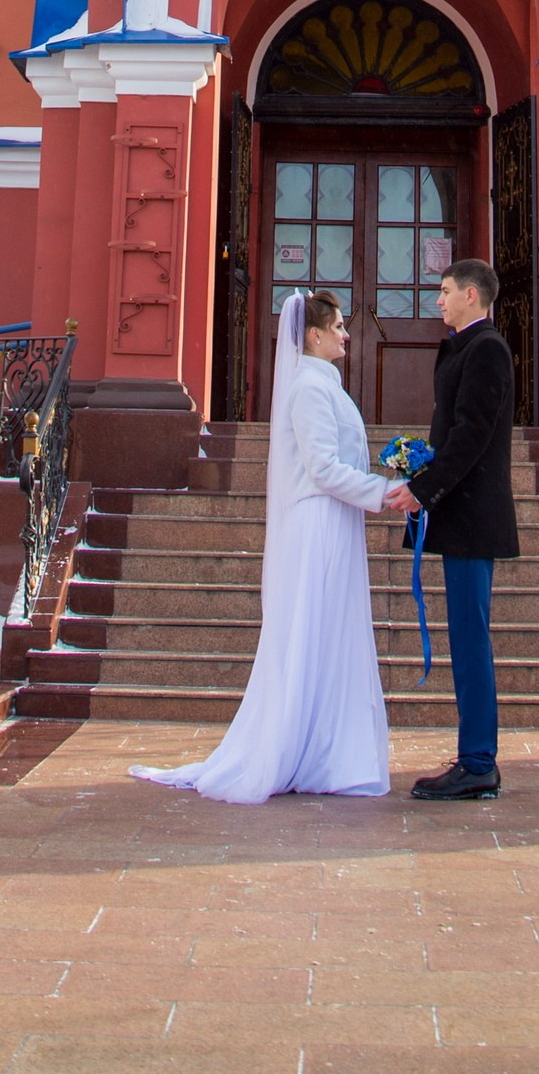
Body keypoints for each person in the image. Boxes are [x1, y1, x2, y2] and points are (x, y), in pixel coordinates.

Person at [129, 291, 411, 804]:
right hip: (319, 523)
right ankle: (297, 747)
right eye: (338, 326)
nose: (346, 334)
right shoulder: (309, 388)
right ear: (314, 336)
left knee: (330, 631)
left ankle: (324, 749)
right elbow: (322, 469)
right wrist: (383, 492)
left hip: (337, 520)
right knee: (312, 629)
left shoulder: (324, 385)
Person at [403, 259, 519, 799]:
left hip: (473, 516)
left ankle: (478, 762)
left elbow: (472, 435)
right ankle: (475, 758)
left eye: (445, 291)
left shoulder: (487, 349)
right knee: (466, 637)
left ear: (471, 295)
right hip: (461, 512)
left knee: (470, 639)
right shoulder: (466, 348)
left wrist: (424, 489)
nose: (439, 300)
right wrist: (421, 474)